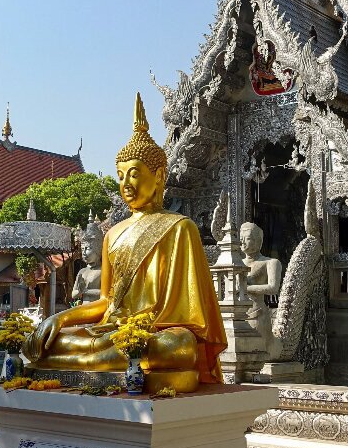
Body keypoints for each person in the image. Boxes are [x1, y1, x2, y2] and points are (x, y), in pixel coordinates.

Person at [23, 94, 226, 392]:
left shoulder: (180, 228)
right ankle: (100, 360)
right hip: (112, 333)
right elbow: (107, 301)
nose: (126, 185)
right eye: (120, 176)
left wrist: (139, 334)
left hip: (156, 333)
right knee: (48, 341)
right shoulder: (113, 234)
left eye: (134, 174)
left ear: (158, 176)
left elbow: (189, 316)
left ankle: (99, 360)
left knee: (177, 346)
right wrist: (60, 318)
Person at [70, 215, 103, 304]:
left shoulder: (103, 270)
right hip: (84, 306)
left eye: (87, 249)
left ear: (97, 250)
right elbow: (73, 294)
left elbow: (107, 293)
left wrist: (85, 291)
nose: (84, 252)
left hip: (98, 307)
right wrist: (80, 291)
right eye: (82, 249)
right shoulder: (82, 271)